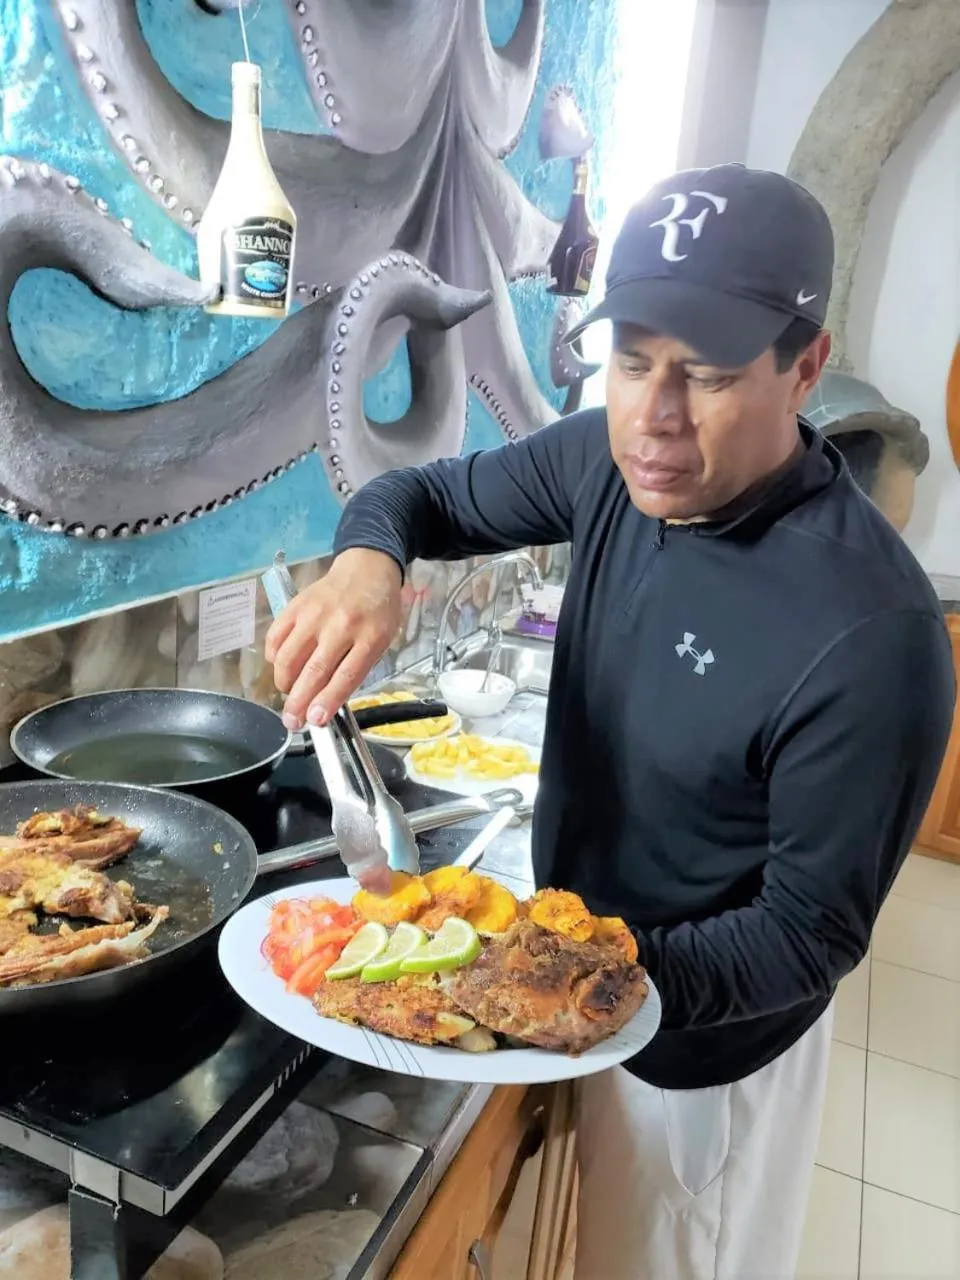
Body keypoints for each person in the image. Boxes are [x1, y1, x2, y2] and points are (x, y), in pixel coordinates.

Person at [265, 164, 955, 1279]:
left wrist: (566, 983)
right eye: (631, 361)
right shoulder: (605, 457)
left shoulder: (871, 631)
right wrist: (366, 565)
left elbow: (808, 934)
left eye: (709, 374)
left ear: (805, 366)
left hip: (700, 1059)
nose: (655, 417)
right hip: (573, 986)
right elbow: (417, 496)